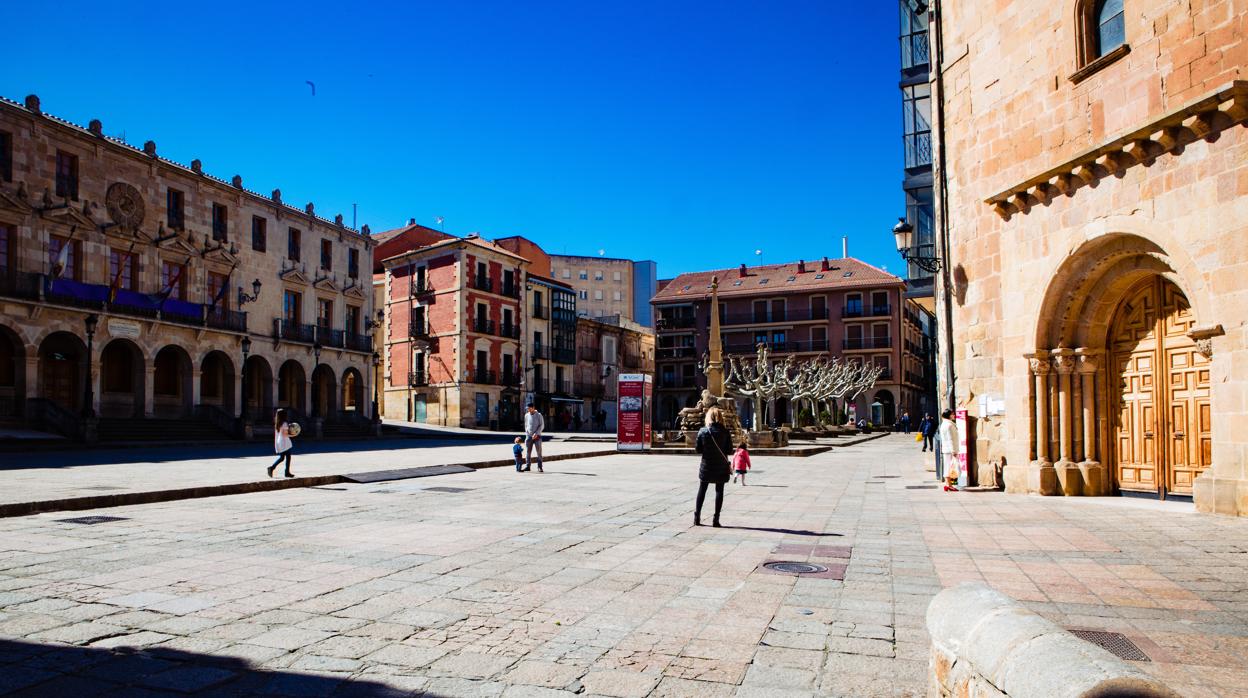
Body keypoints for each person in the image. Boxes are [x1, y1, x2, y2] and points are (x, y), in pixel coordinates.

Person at [693, 407, 733, 527]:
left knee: (702, 489)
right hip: (721, 466)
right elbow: (730, 450)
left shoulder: (703, 431)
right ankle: (716, 519)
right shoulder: (725, 432)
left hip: (706, 465)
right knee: (719, 491)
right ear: (720, 417)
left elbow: (698, 449)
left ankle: (697, 517)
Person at [268, 408, 295, 478]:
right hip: (285, 442)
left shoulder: (277, 423)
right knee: (288, 457)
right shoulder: (284, 423)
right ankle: (286, 472)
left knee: (282, 457)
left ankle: (272, 468)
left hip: (280, 442)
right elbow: (285, 434)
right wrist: (293, 435)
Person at [939, 409, 960, 492]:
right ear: (949, 415)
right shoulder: (949, 425)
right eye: (952, 414)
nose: (954, 415)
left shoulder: (945, 424)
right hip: (949, 450)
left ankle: (948, 484)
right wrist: (953, 451)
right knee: (950, 467)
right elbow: (950, 439)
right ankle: (948, 484)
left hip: (947, 449)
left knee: (948, 466)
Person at [524, 403, 544, 472]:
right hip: (529, 436)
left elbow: (541, 425)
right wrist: (527, 432)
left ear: (533, 408)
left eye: (530, 408)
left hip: (537, 436)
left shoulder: (539, 415)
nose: (529, 410)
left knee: (539, 452)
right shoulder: (526, 415)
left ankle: (540, 466)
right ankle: (527, 466)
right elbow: (526, 425)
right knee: (528, 452)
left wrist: (536, 433)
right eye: (528, 409)